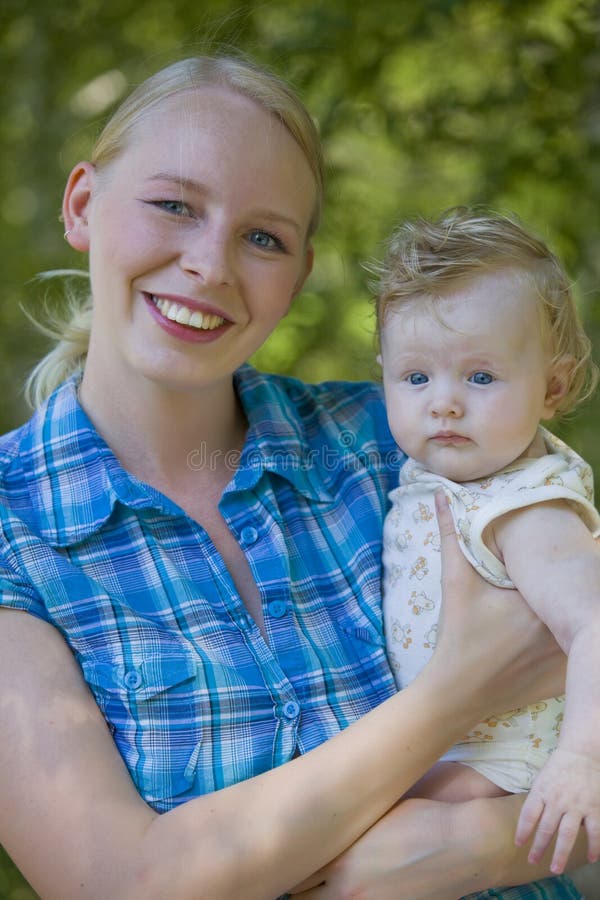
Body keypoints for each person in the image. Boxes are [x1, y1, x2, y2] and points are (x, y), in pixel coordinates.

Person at [0, 56, 583, 899]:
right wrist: (459, 691)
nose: (211, 264)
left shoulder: (401, 442)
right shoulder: (14, 528)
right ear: (83, 206)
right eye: (174, 205)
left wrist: (480, 847)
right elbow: (116, 884)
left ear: (299, 275)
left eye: (262, 236)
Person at [374, 207, 600, 878]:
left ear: (551, 387)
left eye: (480, 377)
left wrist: (583, 759)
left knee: (349, 844)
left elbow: (594, 625)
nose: (443, 402)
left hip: (507, 768)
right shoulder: (450, 478)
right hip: (456, 743)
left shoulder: (526, 505)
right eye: (416, 378)